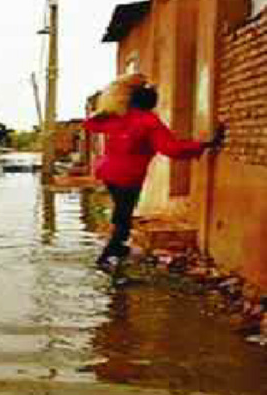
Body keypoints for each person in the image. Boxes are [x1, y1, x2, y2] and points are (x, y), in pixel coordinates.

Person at [84, 79, 224, 270]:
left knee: (121, 211)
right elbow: (171, 148)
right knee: (124, 214)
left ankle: (117, 249)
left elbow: (91, 124)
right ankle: (107, 256)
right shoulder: (149, 121)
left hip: (107, 173)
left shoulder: (121, 117)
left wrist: (104, 110)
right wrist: (204, 144)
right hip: (128, 176)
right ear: (152, 103)